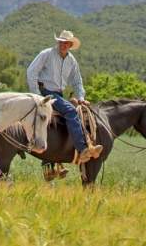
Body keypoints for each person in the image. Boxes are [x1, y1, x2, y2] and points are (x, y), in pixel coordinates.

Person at [26, 30, 102, 164]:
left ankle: (54, 161)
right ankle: (83, 149)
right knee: (71, 111)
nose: (63, 45)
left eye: (66, 43)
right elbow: (31, 71)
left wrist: (81, 97)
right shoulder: (47, 54)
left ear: (70, 45)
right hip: (45, 92)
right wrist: (37, 95)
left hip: (58, 94)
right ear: (58, 42)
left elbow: (77, 81)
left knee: (70, 113)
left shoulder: (72, 61)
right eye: (61, 42)